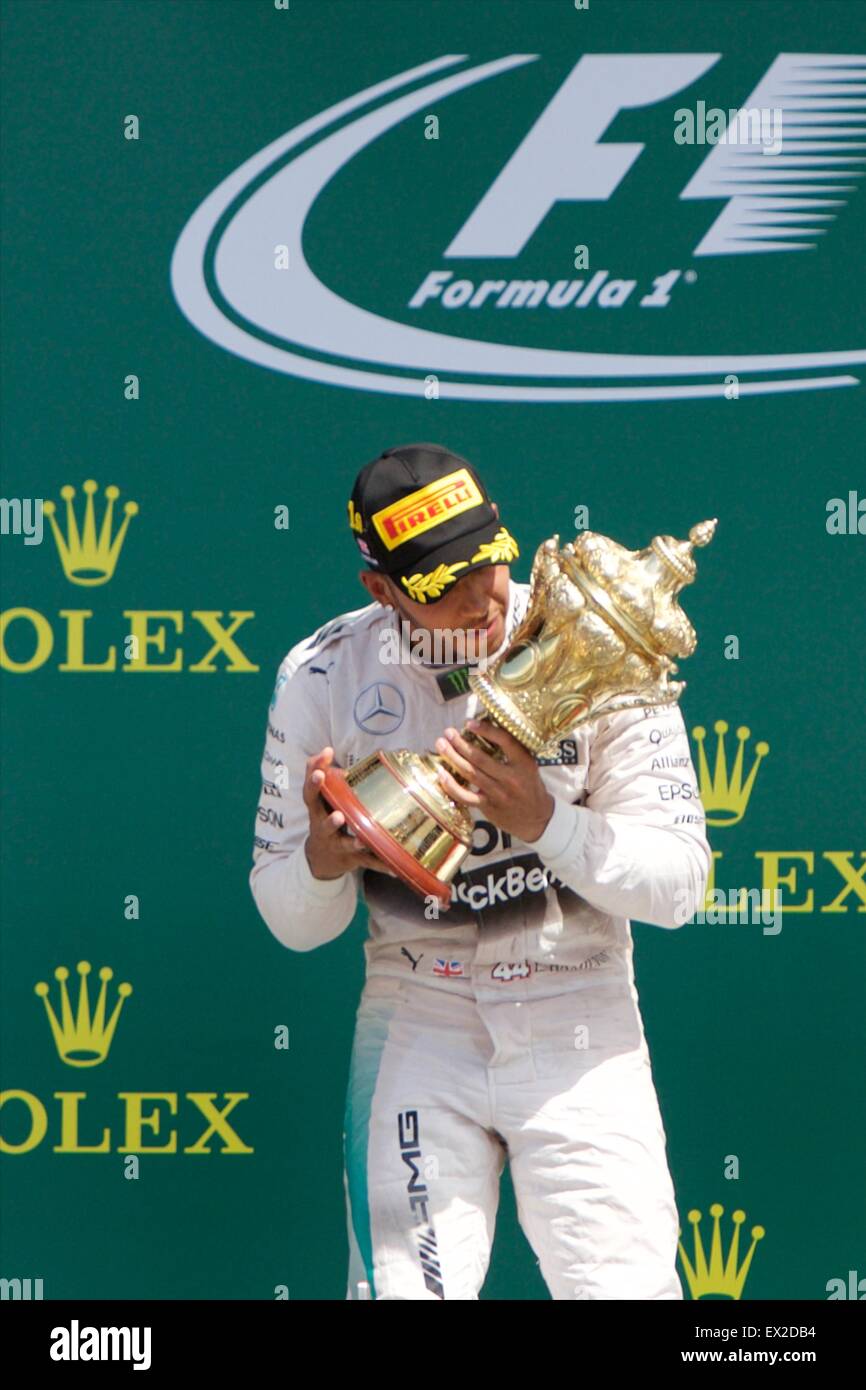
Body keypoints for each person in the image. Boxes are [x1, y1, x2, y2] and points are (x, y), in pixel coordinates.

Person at [249, 441, 711, 1301]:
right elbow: (291, 921)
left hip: (583, 1020)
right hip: (419, 1019)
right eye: (439, 584)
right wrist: (321, 859)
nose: (480, 596)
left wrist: (546, 823)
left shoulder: (606, 647)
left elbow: (682, 886)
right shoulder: (321, 675)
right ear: (381, 591)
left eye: (488, 562)